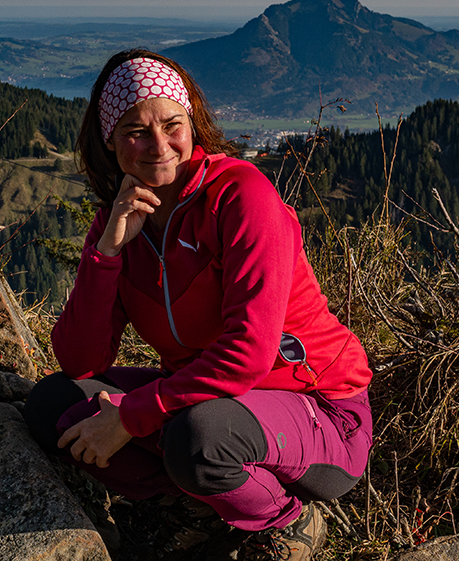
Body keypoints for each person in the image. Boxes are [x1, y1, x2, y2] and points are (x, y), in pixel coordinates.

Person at [25, 49, 372, 561]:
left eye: (172, 125)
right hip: (204, 404)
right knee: (55, 405)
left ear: (193, 125)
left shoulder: (240, 196)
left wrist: (130, 416)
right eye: (135, 131)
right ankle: (196, 507)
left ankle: (286, 522)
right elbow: (81, 362)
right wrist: (107, 254)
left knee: (200, 435)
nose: (158, 145)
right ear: (110, 142)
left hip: (319, 412)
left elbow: (250, 353)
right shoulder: (116, 221)